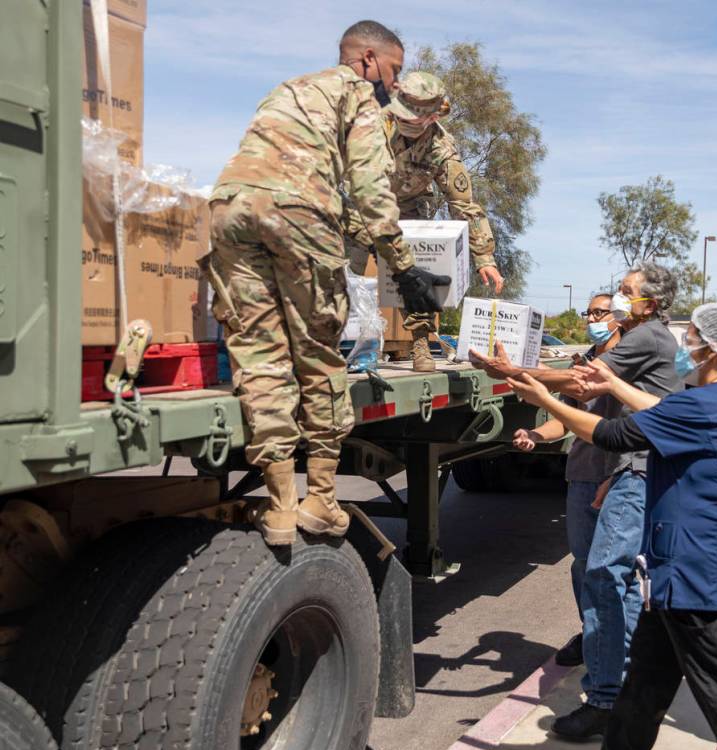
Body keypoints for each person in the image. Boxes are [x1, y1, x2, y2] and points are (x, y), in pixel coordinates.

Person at [509, 303, 717, 750]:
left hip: (691, 573)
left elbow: (611, 433)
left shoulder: (702, 406)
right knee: (647, 677)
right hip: (680, 567)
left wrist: (545, 398)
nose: (687, 346)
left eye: (694, 339)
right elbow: (658, 413)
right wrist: (612, 384)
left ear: (714, 350)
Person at [208, 20, 448, 546]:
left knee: (260, 355)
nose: (395, 84)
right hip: (297, 210)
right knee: (319, 355)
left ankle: (278, 507)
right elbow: (370, 190)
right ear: (366, 58)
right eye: (394, 69)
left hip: (230, 209)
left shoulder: (289, 88)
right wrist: (404, 268)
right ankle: (320, 499)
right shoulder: (360, 96)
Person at [474, 263, 683, 739]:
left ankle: (609, 696)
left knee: (605, 574)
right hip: (615, 467)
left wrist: (516, 371)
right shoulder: (629, 338)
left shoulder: (648, 336)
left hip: (633, 467)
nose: (615, 300)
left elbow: (584, 385)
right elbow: (582, 388)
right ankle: (617, 676)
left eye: (625, 293)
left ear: (649, 304)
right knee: (605, 575)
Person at [346, 71, 504, 372]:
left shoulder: (442, 150)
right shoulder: (371, 125)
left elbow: (464, 206)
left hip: (406, 215)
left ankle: (420, 344)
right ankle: (328, 346)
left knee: (414, 276)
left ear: (431, 118)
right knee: (340, 278)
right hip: (362, 207)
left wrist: (484, 257)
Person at [512, 293, 622, 667]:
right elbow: (565, 417)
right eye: (588, 312)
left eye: (599, 312)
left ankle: (617, 641)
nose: (591, 318)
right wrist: (538, 435)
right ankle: (591, 634)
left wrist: (519, 371)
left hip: (617, 478)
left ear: (617, 317)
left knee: (613, 568)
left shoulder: (625, 362)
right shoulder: (585, 360)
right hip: (582, 475)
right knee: (582, 563)